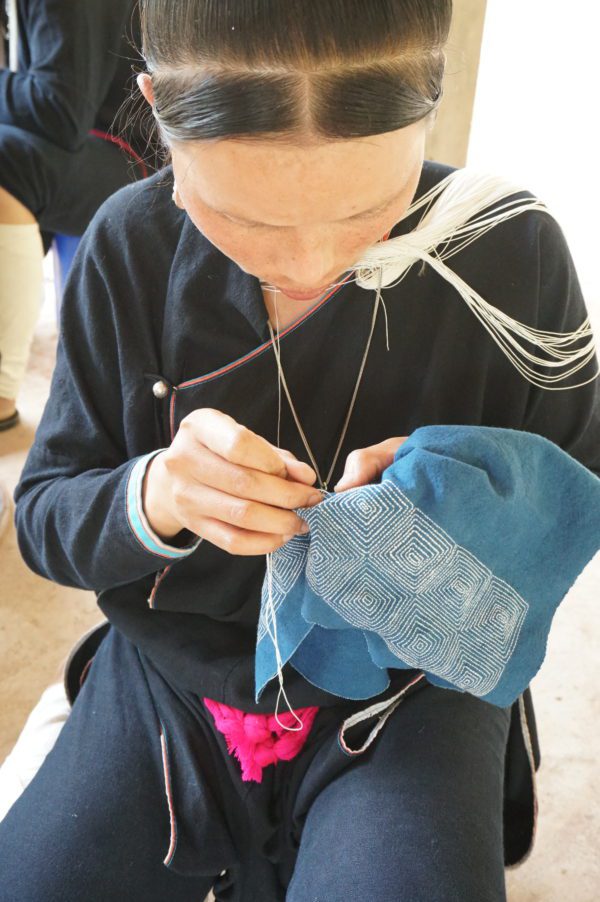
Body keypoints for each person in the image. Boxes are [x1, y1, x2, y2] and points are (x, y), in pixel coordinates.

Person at [1, 1, 599, 900]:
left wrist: (477, 494)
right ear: (157, 107)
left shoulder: (510, 250)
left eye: (367, 208)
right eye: (245, 219)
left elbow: (578, 498)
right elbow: (45, 515)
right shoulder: (130, 246)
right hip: (175, 672)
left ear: (428, 107)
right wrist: (155, 495)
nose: (313, 265)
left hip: (412, 690)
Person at [0, 0, 148, 431]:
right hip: (83, 141)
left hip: (140, 155)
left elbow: (58, 111)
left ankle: (3, 392)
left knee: (4, 161)